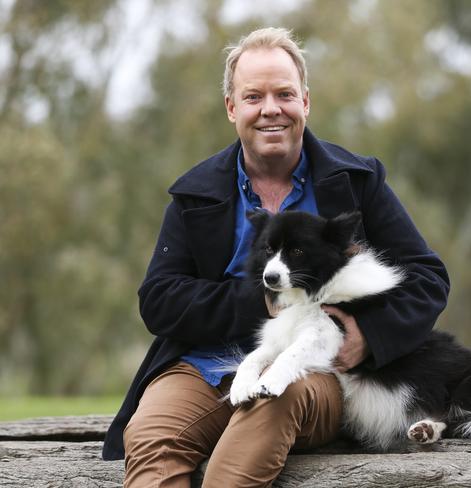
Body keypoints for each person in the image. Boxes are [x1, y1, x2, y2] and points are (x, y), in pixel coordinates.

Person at [102, 27, 450, 487]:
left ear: (305, 101)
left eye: (284, 94)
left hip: (315, 369)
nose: (271, 109)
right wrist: (263, 302)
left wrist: (370, 335)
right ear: (232, 108)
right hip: (205, 367)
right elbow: (160, 299)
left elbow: (428, 278)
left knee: (270, 404)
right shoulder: (194, 194)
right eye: (253, 96)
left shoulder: (358, 180)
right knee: (151, 434)